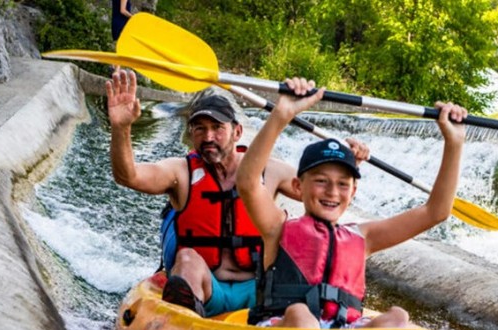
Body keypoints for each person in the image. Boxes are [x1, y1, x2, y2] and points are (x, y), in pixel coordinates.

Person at [105, 69, 369, 317]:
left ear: (237, 132)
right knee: (187, 259)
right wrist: (121, 128)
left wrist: (345, 164)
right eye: (200, 129)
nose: (208, 136)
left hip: (260, 290)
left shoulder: (270, 170)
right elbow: (128, 176)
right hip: (206, 288)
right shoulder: (180, 172)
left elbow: (321, 194)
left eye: (217, 128)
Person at [237, 77, 467, 329]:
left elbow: (436, 212)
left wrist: (454, 143)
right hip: (284, 328)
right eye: (321, 181)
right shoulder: (276, 227)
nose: (333, 191)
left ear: (354, 191)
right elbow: (248, 182)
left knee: (398, 317)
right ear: (297, 187)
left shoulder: (364, 237)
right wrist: (281, 115)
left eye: (343, 184)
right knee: (300, 315)